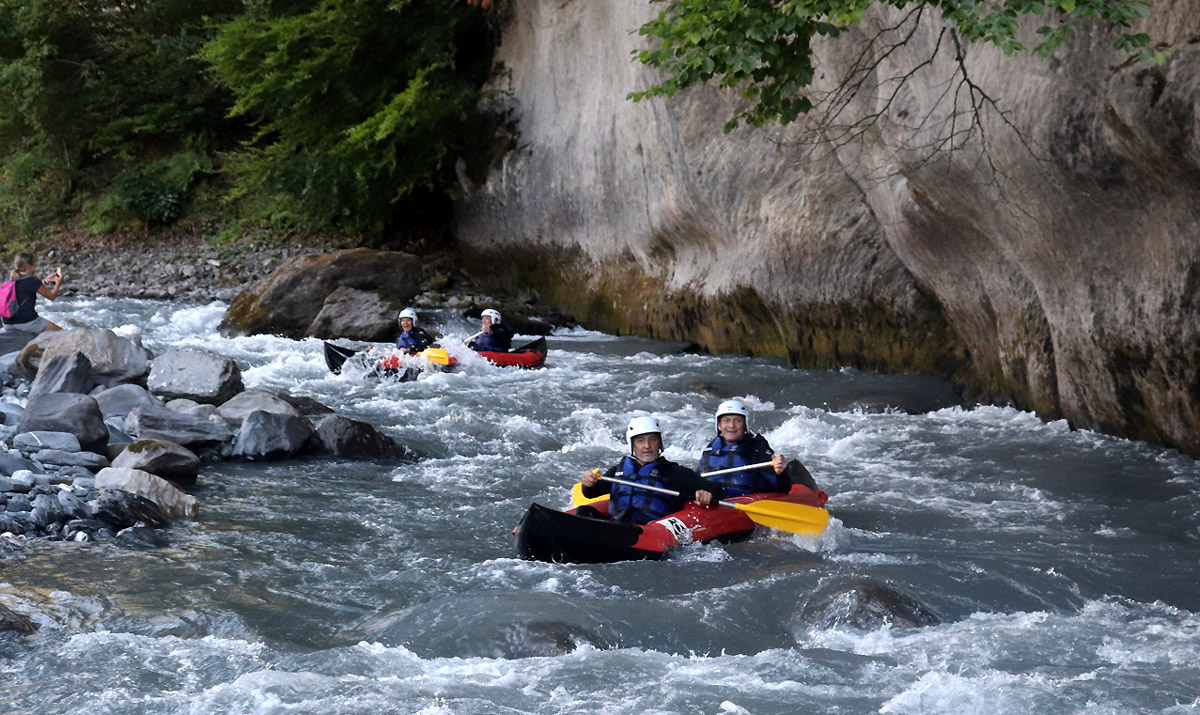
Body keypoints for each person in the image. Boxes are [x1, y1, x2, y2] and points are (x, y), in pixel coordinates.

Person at [580, 415, 725, 524]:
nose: (647, 446)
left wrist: (708, 494)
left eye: (652, 439)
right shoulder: (618, 470)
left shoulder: (673, 472)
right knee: (583, 511)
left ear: (659, 443)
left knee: (630, 513)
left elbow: (717, 490)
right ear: (633, 445)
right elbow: (592, 493)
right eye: (640, 441)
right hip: (616, 526)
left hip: (648, 530)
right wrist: (588, 484)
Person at [697, 398, 798, 497]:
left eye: (737, 421)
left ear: (745, 425)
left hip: (748, 505)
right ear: (719, 425)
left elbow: (783, 489)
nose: (731, 425)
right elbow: (696, 481)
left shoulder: (755, 448)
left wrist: (781, 472)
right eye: (726, 421)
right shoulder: (710, 450)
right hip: (716, 504)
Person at [2, 253, 62, 333]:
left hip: (7, 324)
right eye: (35, 264)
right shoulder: (32, 280)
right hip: (27, 323)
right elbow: (52, 296)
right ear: (30, 265)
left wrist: (45, 281)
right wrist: (58, 282)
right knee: (63, 333)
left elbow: (24, 288)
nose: (35, 267)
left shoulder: (10, 278)